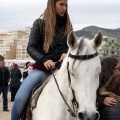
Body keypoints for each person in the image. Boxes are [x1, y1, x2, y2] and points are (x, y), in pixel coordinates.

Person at [11, 0, 72, 119]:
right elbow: (31, 47)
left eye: (66, 5)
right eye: (61, 4)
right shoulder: (39, 23)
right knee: (19, 98)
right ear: (52, 5)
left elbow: (71, 46)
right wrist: (44, 60)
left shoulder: (68, 26)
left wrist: (67, 53)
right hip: (42, 70)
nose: (64, 8)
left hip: (62, 70)